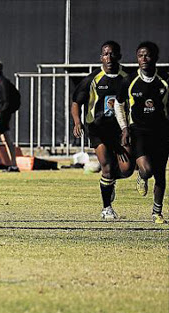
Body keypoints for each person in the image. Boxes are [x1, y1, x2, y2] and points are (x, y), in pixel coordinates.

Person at [71, 41, 133, 220]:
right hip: (98, 129)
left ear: (119, 56)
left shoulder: (127, 77)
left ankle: (110, 182)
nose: (109, 57)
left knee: (127, 169)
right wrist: (77, 121)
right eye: (106, 54)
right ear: (101, 57)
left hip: (120, 129)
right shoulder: (93, 79)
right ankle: (107, 208)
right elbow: (76, 102)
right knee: (106, 165)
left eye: (113, 54)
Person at [114, 41, 169, 224]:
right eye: (140, 55)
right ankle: (142, 176)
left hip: (161, 132)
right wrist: (124, 128)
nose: (144, 59)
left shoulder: (164, 81)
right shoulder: (129, 81)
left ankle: (157, 213)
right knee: (147, 169)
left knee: (160, 174)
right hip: (138, 131)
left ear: (155, 58)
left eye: (147, 55)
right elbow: (118, 104)